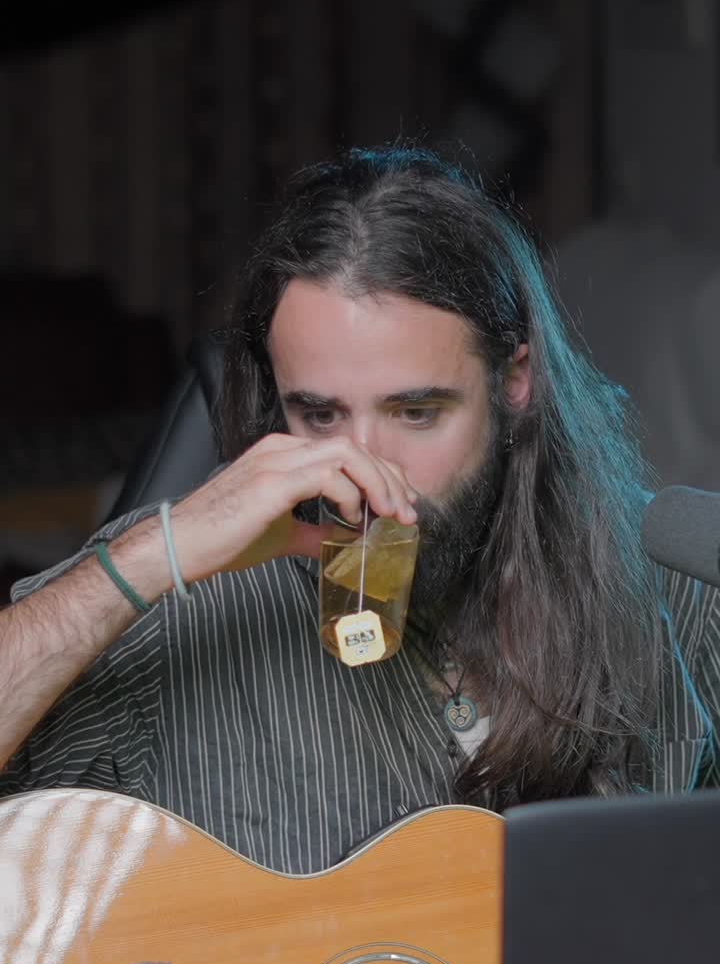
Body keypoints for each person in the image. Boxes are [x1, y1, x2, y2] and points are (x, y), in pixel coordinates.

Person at [0, 145, 717, 873]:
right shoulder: (178, 592)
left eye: (415, 413)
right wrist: (152, 555)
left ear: (515, 382)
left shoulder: (673, 580)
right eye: (319, 416)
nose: (364, 472)